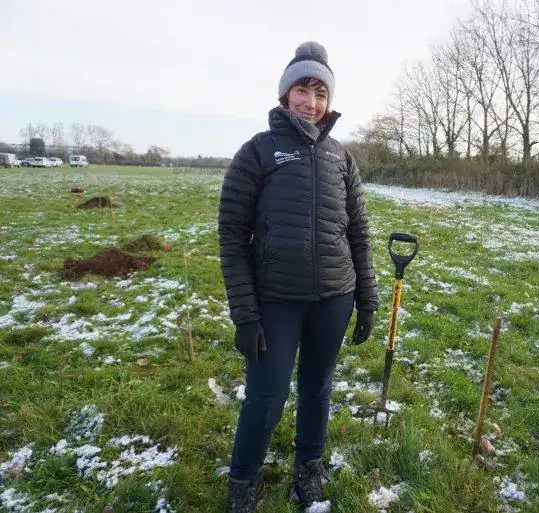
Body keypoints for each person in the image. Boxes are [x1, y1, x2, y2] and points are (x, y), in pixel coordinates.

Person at [217, 41, 379, 512]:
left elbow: (359, 233)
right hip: (275, 301)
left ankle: (309, 467)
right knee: (266, 398)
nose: (311, 102)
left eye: (320, 93)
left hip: (334, 297)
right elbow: (232, 238)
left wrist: (367, 299)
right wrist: (245, 314)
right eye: (303, 91)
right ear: (285, 95)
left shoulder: (341, 158)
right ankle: (242, 481)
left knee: (317, 388)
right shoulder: (257, 152)